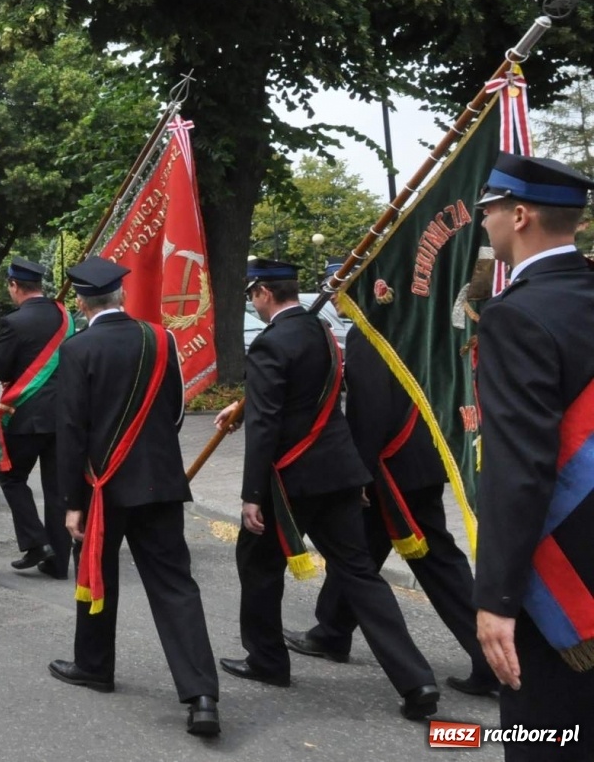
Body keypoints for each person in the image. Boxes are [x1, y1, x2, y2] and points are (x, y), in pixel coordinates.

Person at [215, 259, 439, 721]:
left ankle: (267, 661)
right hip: (338, 475)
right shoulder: (324, 334)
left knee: (258, 566)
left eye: (251, 294)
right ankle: (416, 678)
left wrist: (252, 493)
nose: (251, 302)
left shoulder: (270, 343)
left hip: (289, 481)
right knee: (359, 574)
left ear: (262, 293)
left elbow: (265, 425)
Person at [49, 257, 220, 738]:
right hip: (160, 482)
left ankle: (95, 666)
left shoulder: (78, 349)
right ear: (121, 296)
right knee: (175, 587)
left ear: (82, 303)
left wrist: (72, 501)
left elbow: (72, 431)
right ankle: (202, 695)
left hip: (103, 487)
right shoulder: (161, 339)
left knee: (97, 575)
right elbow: (176, 412)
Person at [284, 322, 497, 696]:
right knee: (358, 551)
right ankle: (331, 631)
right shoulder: (414, 325)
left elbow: (370, 409)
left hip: (391, 465)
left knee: (437, 563)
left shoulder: (369, 333)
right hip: (421, 453)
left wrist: (360, 472)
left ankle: (490, 658)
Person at [472, 153, 594, 757]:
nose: (484, 221)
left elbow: (518, 472)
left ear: (519, 215)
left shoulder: (515, 315)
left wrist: (496, 599)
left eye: (488, 209)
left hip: (564, 588)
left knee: (549, 737)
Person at [0, 257, 74, 579]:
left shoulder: (14, 321)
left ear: (14, 285)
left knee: (11, 478)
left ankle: (36, 543)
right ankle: (58, 561)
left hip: (24, 416)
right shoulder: (64, 316)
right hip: (62, 416)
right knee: (56, 488)